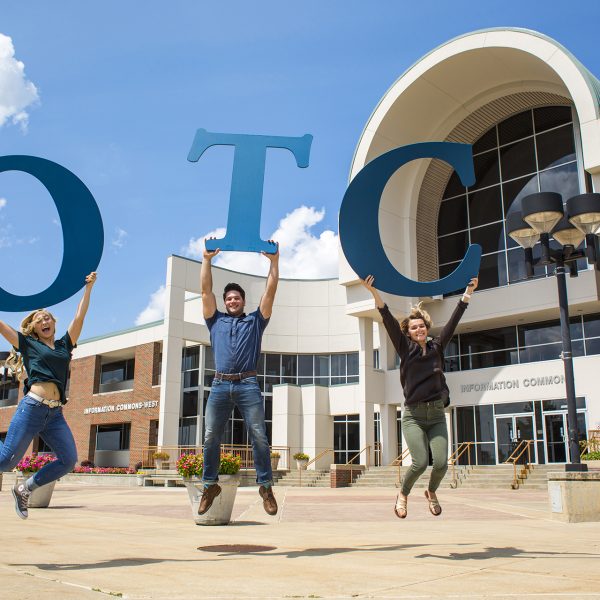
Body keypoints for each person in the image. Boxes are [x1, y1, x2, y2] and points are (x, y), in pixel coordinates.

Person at [361, 274, 478, 518]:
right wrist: (373, 292)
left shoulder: (437, 347)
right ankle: (403, 494)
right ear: (409, 332)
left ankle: (431, 492)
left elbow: (454, 320)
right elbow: (387, 318)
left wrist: (468, 293)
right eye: (414, 327)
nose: (419, 329)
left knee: (442, 464)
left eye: (422, 326)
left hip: (436, 414)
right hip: (413, 415)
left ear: (426, 327)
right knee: (420, 462)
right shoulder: (406, 349)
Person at [0, 272, 97, 519]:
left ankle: (24, 489)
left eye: (47, 318)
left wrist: (88, 288)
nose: (44, 321)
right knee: (6, 462)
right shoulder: (29, 345)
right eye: (39, 320)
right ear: (33, 328)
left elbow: (80, 316)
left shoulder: (65, 345)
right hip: (32, 408)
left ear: (53, 323)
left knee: (68, 460)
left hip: (55, 414)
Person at [199, 240, 279, 516]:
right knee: (210, 436)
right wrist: (207, 260)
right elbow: (205, 290)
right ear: (225, 302)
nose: (233, 301)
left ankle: (266, 486)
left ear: (243, 301)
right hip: (220, 385)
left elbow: (270, 291)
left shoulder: (256, 321)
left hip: (247, 384)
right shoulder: (214, 320)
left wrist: (274, 262)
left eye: (237, 298)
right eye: (229, 298)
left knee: (259, 435)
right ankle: (210, 485)